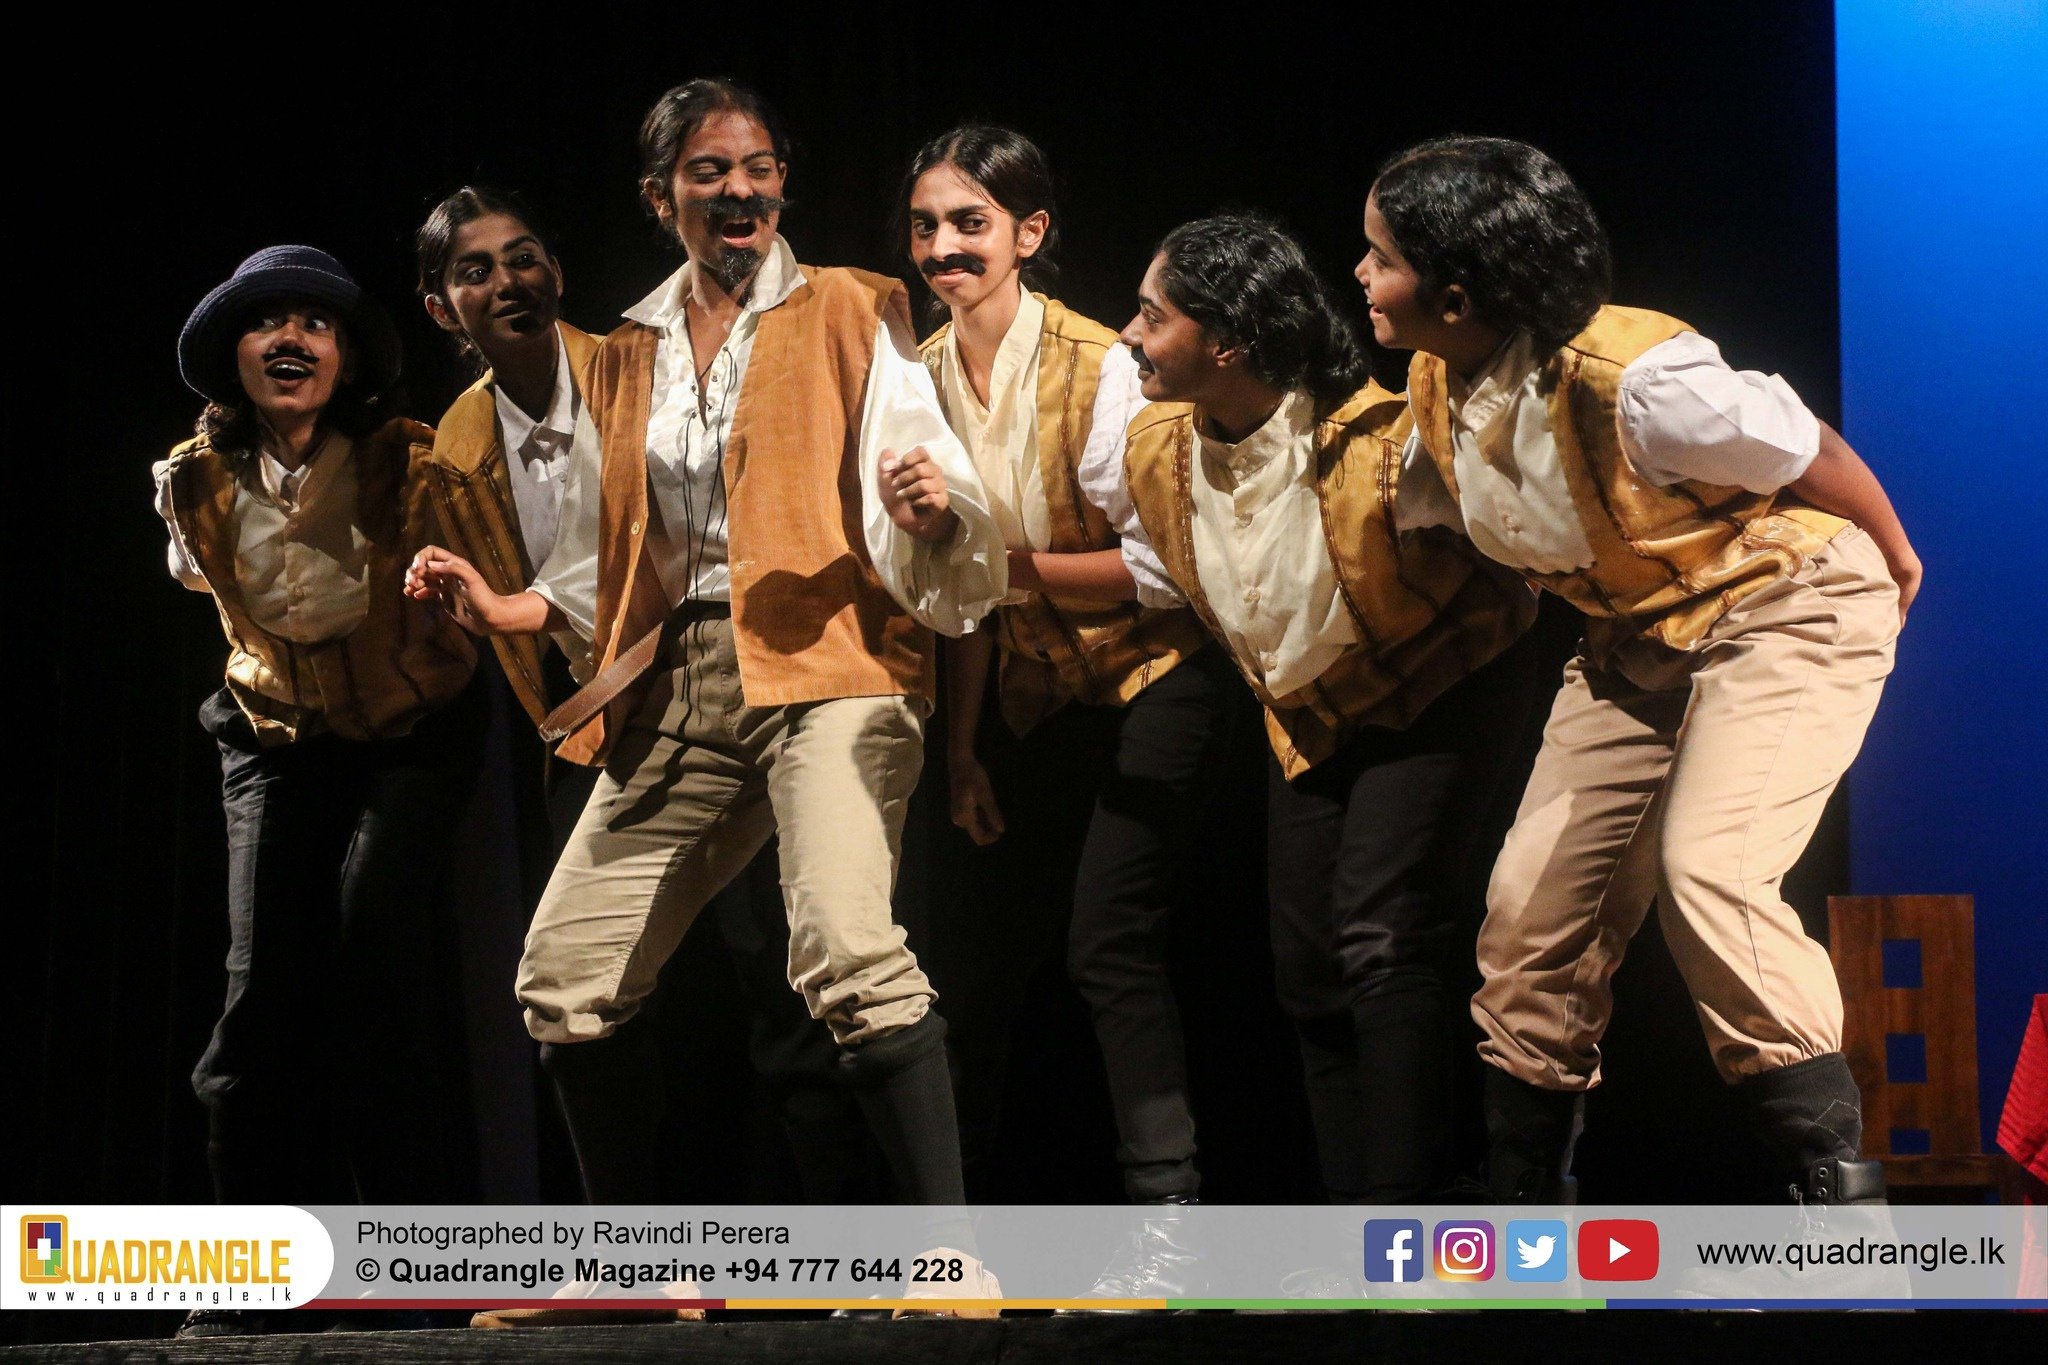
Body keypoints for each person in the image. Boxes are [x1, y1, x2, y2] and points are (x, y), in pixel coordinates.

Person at [407, 78, 1007, 1315]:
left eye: (757, 168)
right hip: (681, 682)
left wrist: (931, 507)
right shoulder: (623, 352)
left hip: (833, 665)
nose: (739, 190)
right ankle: (638, 1272)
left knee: (845, 949)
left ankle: (951, 1262)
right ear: (659, 195)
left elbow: (929, 465)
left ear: (781, 183)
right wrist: (505, 605)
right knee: (563, 977)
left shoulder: (853, 305)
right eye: (707, 171)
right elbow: (598, 546)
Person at [1359, 135, 1919, 1206]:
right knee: (1528, 916)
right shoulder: (1438, 382)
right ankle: (1531, 1232)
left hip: (1785, 599)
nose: (1362, 277)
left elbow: (1807, 450)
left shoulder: (1639, 382)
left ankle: (1840, 1218)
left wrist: (1893, 555)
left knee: (1711, 870)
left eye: (1378, 257)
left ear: (1458, 291)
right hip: (1637, 638)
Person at [412, 186, 875, 1209]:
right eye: (476, 270)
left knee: (788, 976)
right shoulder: (453, 440)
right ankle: (639, 1253)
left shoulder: (638, 364)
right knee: (586, 991)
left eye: (524, 256)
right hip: (599, 731)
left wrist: (522, 610)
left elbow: (670, 544)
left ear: (558, 272)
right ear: (443, 307)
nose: (508, 282)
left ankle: (853, 1245)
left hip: (726, 694)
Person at [1105, 215, 1540, 1292]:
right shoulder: (1157, 448)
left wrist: (1445, 670)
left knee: (1382, 940)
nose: (1129, 335)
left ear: (1229, 343)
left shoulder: (1377, 442)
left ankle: (1413, 1234)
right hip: (1302, 715)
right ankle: (1362, 1239)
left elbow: (1511, 575)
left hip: (1432, 698)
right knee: (1305, 975)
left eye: (1153, 316)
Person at [154, 245, 485, 1334]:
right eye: (267, 325)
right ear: (233, 356)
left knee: (371, 978)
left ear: (347, 358)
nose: (290, 341)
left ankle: (413, 1281)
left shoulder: (405, 459)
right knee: (258, 1005)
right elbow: (212, 582)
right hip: (274, 737)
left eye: (316, 325)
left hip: (403, 734)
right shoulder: (190, 479)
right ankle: (247, 1279)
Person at [901, 124, 1229, 1209]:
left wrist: (1016, 566)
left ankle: (1167, 1207)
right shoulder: (917, 377)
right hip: (1026, 692)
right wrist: (957, 753)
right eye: (927, 226)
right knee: (971, 965)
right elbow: (955, 588)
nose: (944, 247)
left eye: (969, 224)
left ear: (1027, 233)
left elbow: (1166, 569)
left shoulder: (1101, 364)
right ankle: (963, 1231)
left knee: (1108, 944)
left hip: (1149, 675)